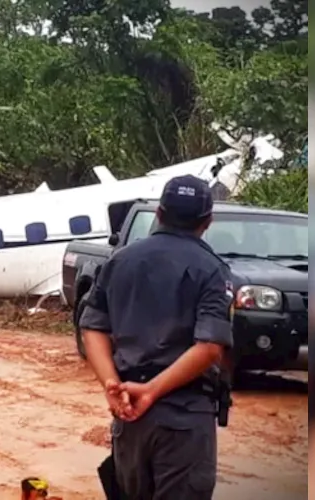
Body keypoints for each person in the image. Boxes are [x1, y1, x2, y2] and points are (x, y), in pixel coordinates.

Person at [79, 174, 233, 500]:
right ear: (207, 222)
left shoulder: (119, 261)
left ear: (159, 214)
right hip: (184, 418)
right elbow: (208, 348)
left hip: (129, 413)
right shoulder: (212, 270)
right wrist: (152, 390)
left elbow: (92, 327)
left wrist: (111, 384)